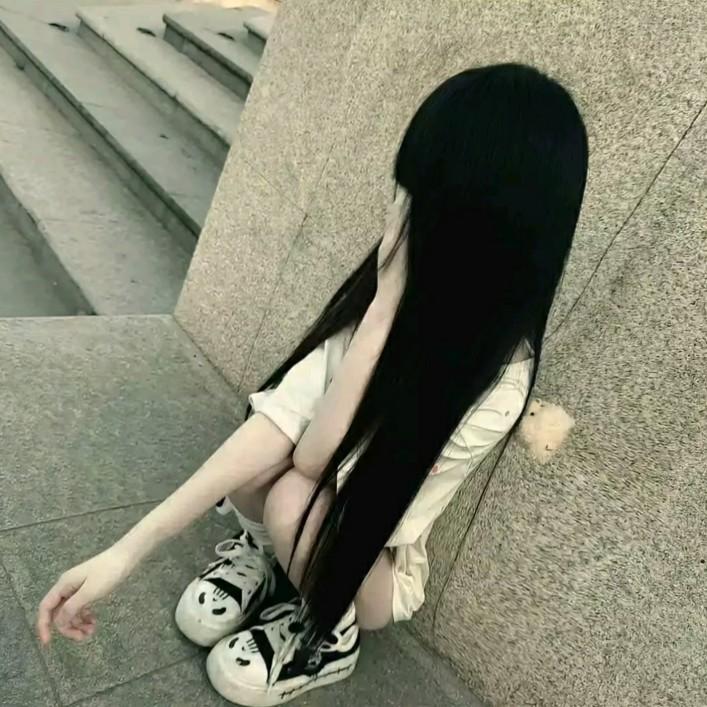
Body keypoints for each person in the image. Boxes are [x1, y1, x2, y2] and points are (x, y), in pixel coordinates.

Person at [36, 63, 588, 707]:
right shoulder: (396, 284)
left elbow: (319, 466)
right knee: (256, 446)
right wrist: (126, 553)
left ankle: (332, 631)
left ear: (488, 233)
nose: (398, 216)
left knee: (293, 498)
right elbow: (281, 422)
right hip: (321, 503)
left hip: (371, 558)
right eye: (404, 191)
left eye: (421, 202)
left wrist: (383, 315)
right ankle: (266, 560)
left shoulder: (497, 385)